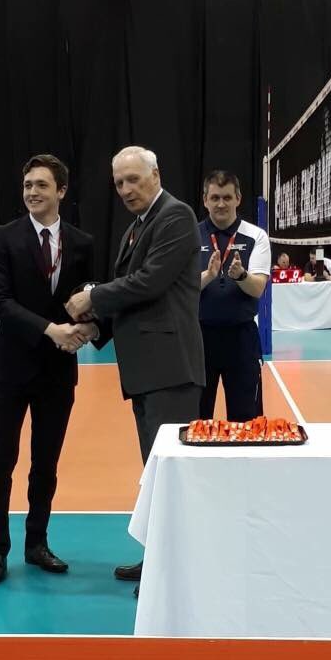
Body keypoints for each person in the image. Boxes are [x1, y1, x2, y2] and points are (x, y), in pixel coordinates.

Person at [66, 145, 205, 586]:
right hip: (148, 371)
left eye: (133, 179)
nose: (126, 189)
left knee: (171, 476)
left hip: (170, 369)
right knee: (157, 473)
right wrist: (95, 330)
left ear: (156, 174)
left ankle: (176, 574)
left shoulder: (175, 216)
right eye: (120, 183)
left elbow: (150, 282)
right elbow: (136, 296)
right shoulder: (138, 227)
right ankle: (162, 564)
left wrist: (93, 298)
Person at [0, 154, 97, 584]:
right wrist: (52, 330)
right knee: (0, 462)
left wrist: (88, 329)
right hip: (10, 369)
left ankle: (36, 543)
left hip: (57, 372)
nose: (32, 192)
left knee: (45, 463)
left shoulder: (82, 242)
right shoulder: (3, 237)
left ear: (61, 191)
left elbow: (86, 298)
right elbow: (0, 302)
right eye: (28, 184)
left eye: (42, 185)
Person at [199, 170, 271, 423]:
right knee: (196, 420)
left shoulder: (256, 236)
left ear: (238, 199)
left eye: (227, 197)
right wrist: (208, 275)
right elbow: (181, 290)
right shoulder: (189, 236)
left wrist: (241, 275)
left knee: (246, 421)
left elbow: (258, 288)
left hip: (241, 339)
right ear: (205, 200)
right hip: (199, 338)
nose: (221, 204)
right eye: (215, 197)